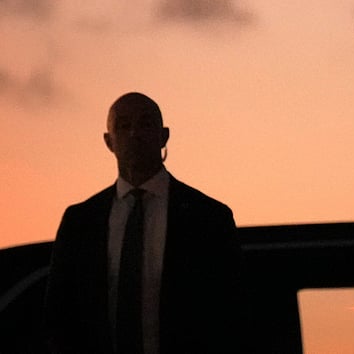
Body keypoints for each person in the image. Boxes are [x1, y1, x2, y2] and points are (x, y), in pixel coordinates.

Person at [44, 92, 244, 354]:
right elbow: (60, 315)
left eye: (145, 123)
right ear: (109, 141)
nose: (134, 134)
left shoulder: (208, 218)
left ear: (164, 135)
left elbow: (231, 311)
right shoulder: (81, 222)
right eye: (123, 126)